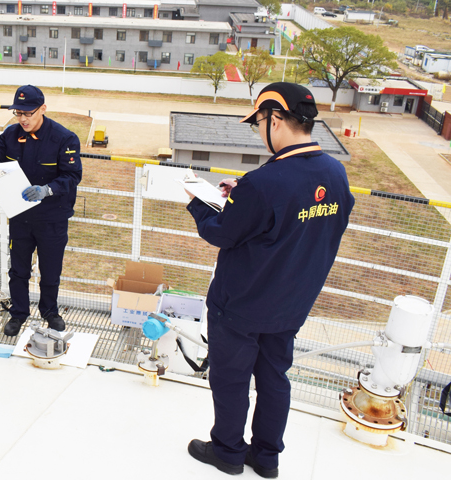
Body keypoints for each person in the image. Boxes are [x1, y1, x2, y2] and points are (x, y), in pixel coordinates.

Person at [184, 83, 355, 478]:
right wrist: (240, 197)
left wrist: (197, 203)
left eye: (258, 122)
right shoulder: (335, 172)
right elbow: (318, 226)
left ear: (275, 119)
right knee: (275, 378)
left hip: (241, 305)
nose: (258, 131)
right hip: (291, 304)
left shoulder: (264, 182)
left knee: (231, 380)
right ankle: (266, 457)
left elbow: (222, 233)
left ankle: (227, 451)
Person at [0, 85, 82, 336]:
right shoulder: (10, 135)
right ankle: (19, 313)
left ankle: (50, 312)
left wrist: (46, 190)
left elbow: (73, 176)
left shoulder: (64, 138)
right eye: (17, 113)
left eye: (27, 113)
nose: (22, 119)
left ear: (43, 108)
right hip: (20, 215)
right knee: (18, 270)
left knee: (50, 269)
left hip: (52, 217)